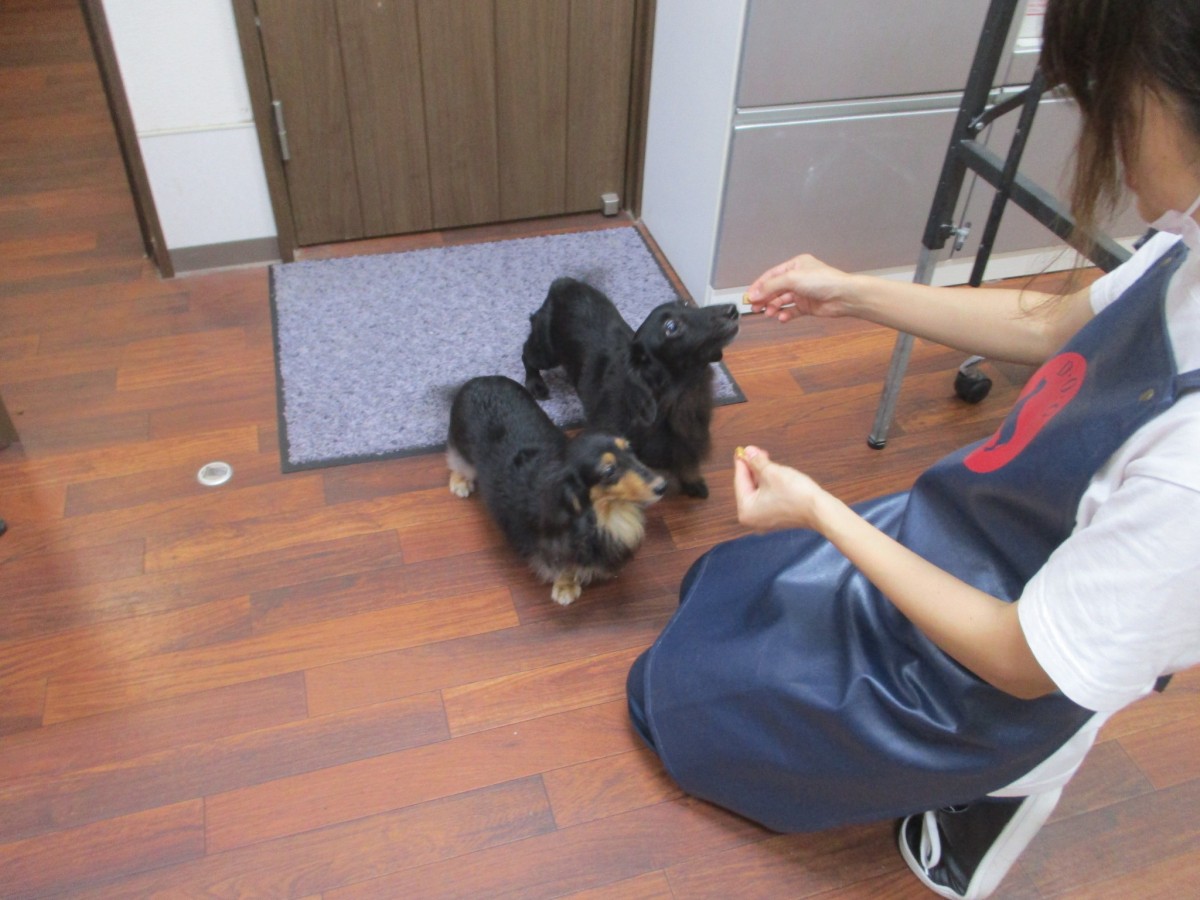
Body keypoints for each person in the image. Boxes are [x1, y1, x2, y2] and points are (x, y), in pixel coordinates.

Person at [625, 1, 1200, 897]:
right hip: (973, 531)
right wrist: (850, 292)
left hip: (1008, 667)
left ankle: (1004, 787)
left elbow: (1020, 658)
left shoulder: (1189, 475)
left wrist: (820, 510)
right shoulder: (1186, 243)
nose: (1102, 136)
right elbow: (1051, 325)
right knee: (722, 592)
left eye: (1113, 101)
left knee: (670, 707)